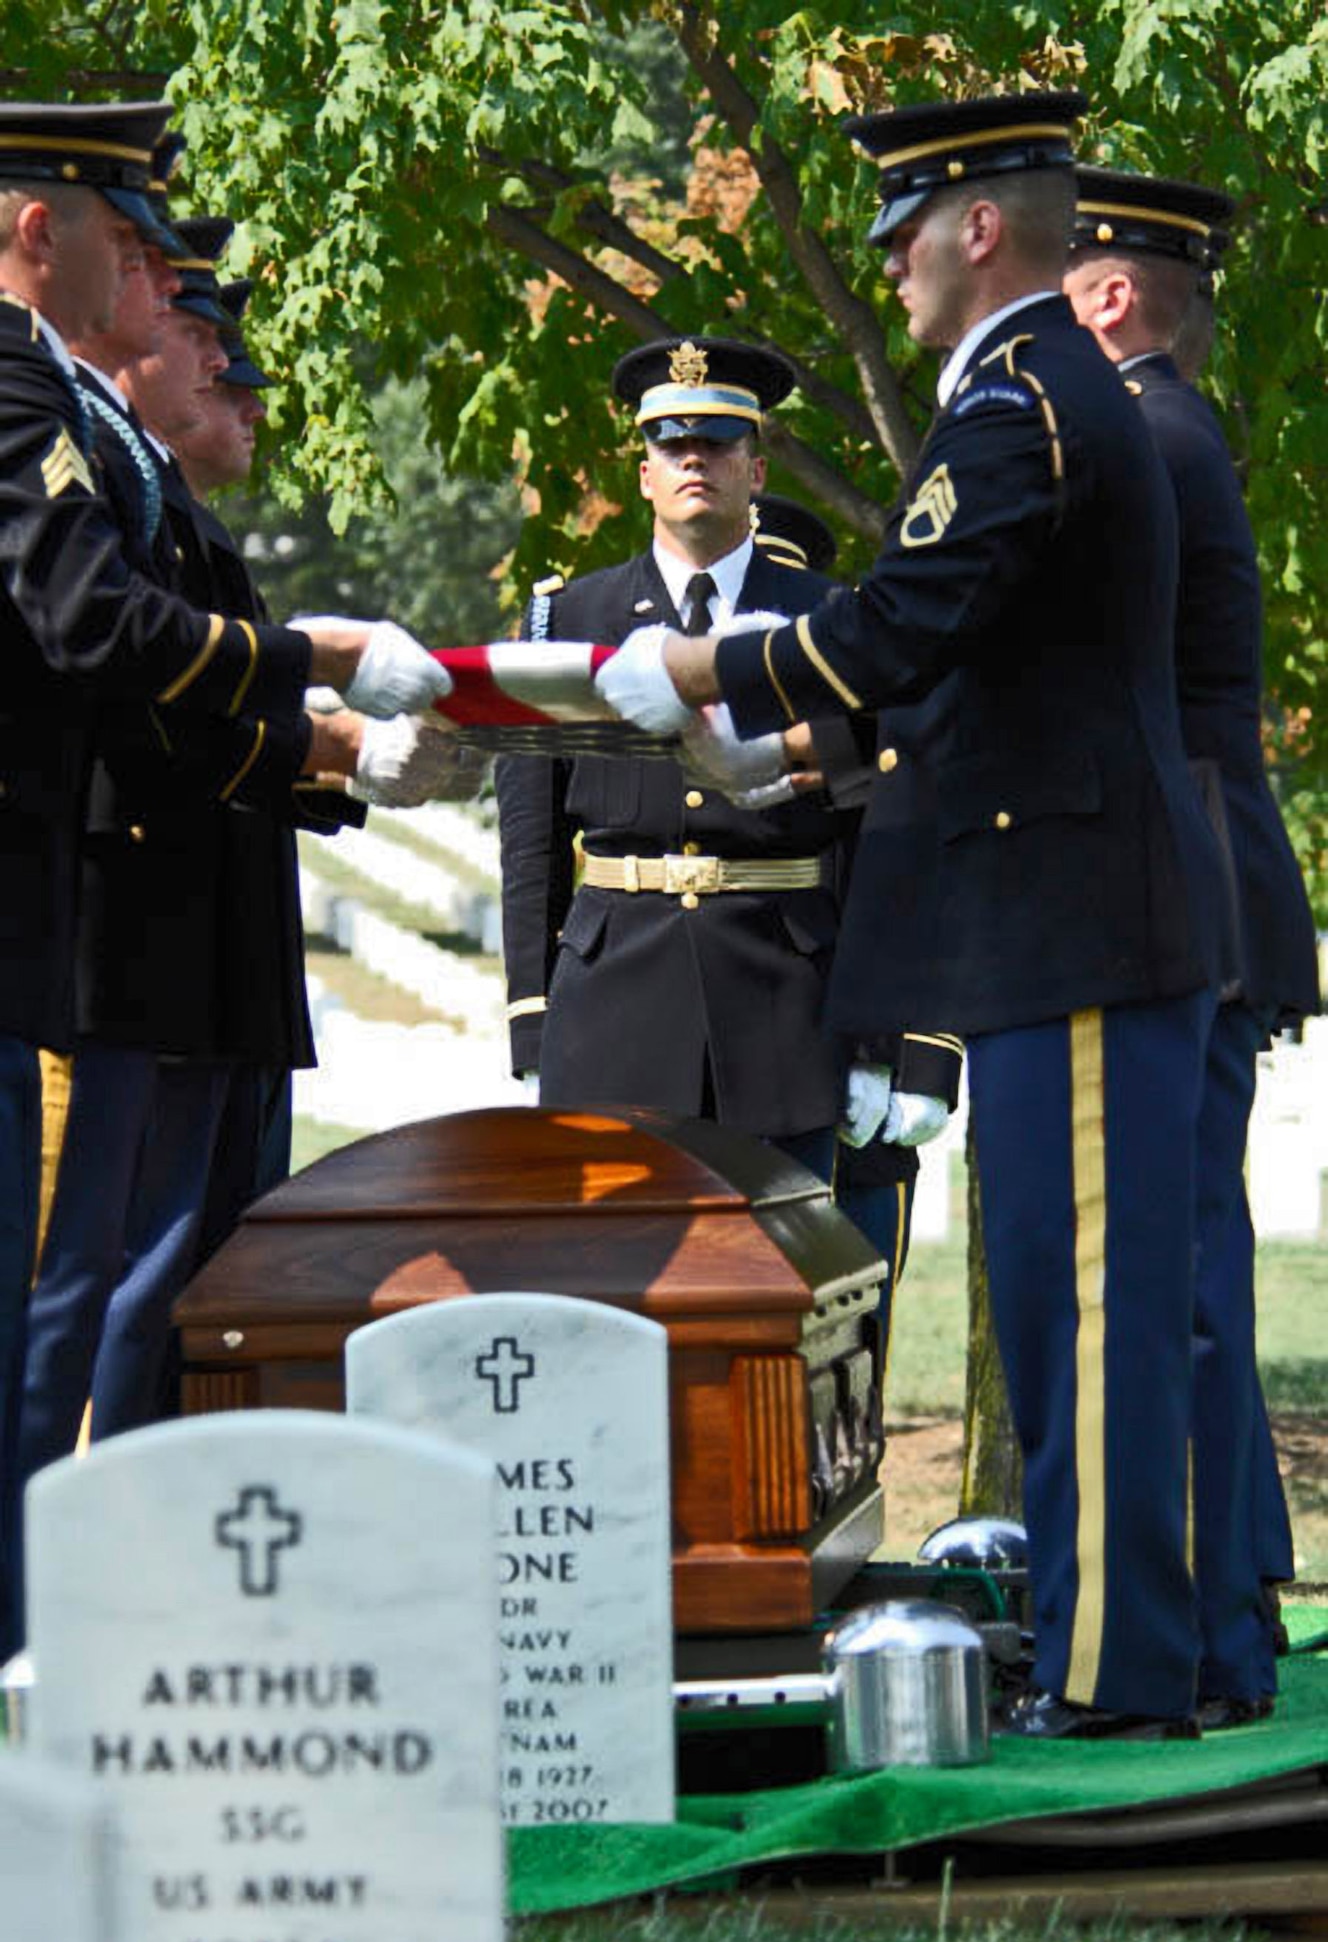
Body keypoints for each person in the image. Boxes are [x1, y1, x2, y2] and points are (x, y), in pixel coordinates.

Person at [597, 93, 1237, 1739]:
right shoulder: (1041, 394)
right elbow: (965, 662)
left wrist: (702, 670)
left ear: (973, 230)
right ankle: (1144, 1655)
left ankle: (1112, 1682)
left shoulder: (1021, 403)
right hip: (1062, 917)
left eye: (897, 232)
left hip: (1079, 918)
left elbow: (906, 619)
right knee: (1065, 1296)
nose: (880, 263)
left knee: (1084, 1312)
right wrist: (791, 745)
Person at [0, 101, 451, 1659]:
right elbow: (109, 654)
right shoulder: (25, 393)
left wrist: (315, 749)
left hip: (150, 948)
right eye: (128, 244)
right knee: (79, 1302)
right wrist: (313, 692)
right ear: (37, 233)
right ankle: (49, 1610)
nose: (150, 281)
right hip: (106, 945)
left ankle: (79, 1594)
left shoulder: (89, 424)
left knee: (135, 1293)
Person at [1064, 170, 1321, 1721]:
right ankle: (1227, 1616)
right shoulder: (1173, 429)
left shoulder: (1142, 436)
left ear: (1105, 300)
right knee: (1195, 1264)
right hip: (1203, 875)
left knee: (1182, 1280)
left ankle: (1211, 1629)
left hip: (1178, 878)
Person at [496, 337, 859, 1178]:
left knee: (773, 1291)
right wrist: (530, 1012)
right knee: (611, 1290)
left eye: (720, 442)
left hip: (782, 1007)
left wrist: (883, 1037)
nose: (695, 458)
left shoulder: (830, 620)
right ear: (645, 475)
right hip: (610, 1008)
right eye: (671, 444)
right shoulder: (568, 619)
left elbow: (872, 830)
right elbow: (531, 837)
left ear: (757, 471)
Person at [752, 494, 959, 1359]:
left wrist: (924, 1058)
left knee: (848, 1362)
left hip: (858, 1085)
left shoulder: (874, 724)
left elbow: (925, 874)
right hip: (729, 1058)